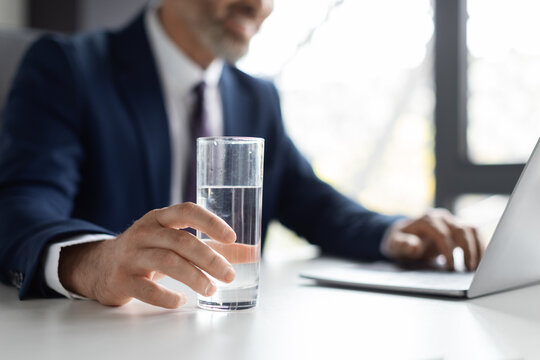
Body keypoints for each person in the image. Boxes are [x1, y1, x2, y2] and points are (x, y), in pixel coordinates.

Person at [0, 0, 483, 309]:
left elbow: (314, 204)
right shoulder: (68, 68)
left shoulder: (257, 98)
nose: (259, 5)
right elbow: (20, 208)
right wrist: (95, 263)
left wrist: (394, 232)